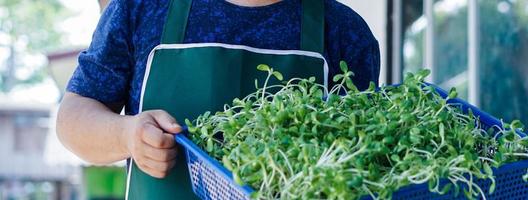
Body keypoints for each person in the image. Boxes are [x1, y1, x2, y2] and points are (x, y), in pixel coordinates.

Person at [57, 0, 379, 198]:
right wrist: (127, 135)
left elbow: (366, 159)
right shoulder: (141, 8)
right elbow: (73, 119)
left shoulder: (343, 31)